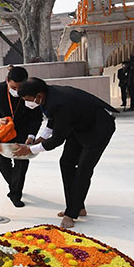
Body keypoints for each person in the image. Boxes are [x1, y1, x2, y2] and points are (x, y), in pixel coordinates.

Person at [14, 78, 117, 229]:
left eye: (28, 99)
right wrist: (41, 138)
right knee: (66, 162)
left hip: (99, 128)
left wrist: (30, 150)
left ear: (39, 95)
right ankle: (77, 206)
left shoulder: (60, 101)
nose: (27, 102)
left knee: (83, 169)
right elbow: (52, 119)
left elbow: (57, 139)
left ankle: (71, 213)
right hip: (79, 126)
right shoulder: (48, 96)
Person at [0, 66, 43, 208]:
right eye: (14, 87)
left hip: (22, 131)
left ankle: (15, 194)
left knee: (21, 162)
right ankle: (14, 184)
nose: (17, 91)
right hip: (2, 131)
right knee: (3, 163)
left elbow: (36, 117)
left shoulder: (30, 91)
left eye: (21, 87)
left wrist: (31, 135)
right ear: (7, 80)